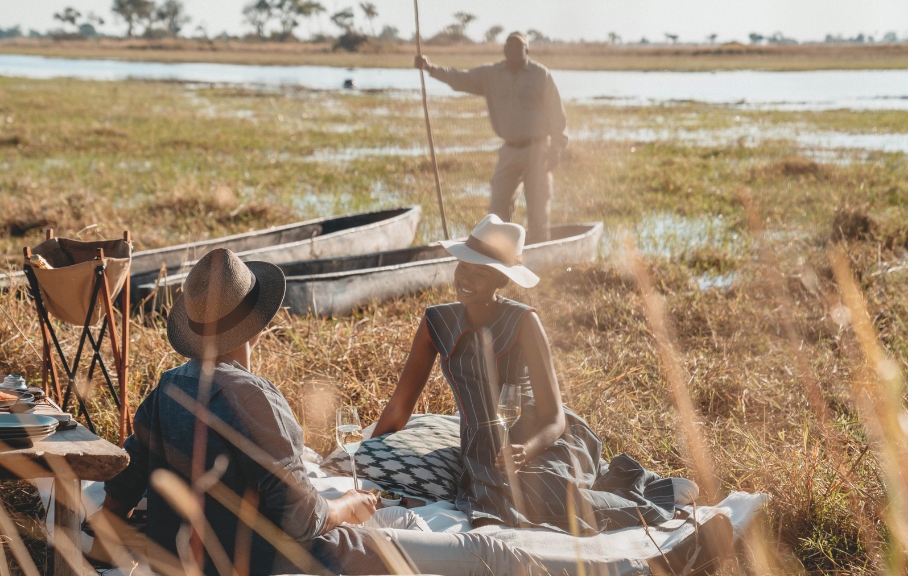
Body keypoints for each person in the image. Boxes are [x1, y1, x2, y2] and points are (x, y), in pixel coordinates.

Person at [373, 215, 733, 573]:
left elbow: (554, 416)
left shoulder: (524, 321)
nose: (465, 279)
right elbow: (400, 404)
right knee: (500, 505)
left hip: (542, 436)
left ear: (502, 278)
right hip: (483, 447)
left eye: (479, 272)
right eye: (462, 267)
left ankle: (661, 499)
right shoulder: (436, 321)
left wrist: (525, 450)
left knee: (551, 497)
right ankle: (620, 485)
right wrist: (365, 455)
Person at [92, 248, 390, 575]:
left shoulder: (169, 386)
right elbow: (302, 520)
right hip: (259, 563)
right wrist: (348, 505)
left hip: (175, 562)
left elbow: (125, 480)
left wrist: (101, 550)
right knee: (392, 549)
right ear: (256, 325)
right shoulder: (254, 398)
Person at [415, 31, 567, 244]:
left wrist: (556, 148)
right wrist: (430, 68)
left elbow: (556, 115)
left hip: (538, 149)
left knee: (538, 209)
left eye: (519, 47)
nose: (514, 51)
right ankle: (500, 254)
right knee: (497, 209)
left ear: (527, 50)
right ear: (504, 50)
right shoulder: (491, 74)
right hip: (509, 150)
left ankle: (539, 255)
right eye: (510, 47)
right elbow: (459, 79)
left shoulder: (540, 74)